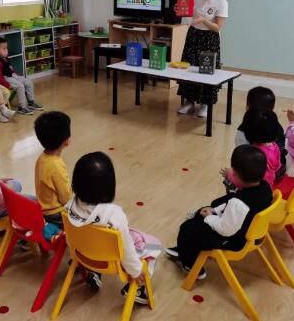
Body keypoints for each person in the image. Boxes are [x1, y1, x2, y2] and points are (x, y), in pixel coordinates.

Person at [65, 152, 161, 305]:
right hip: (110, 260)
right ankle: (137, 288)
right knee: (155, 246)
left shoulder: (69, 206)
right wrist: (136, 272)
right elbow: (127, 250)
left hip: (83, 254)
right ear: (109, 185)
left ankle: (93, 271)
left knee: (97, 237)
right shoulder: (114, 215)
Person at [165, 145, 273, 279]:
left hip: (234, 240)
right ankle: (185, 249)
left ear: (237, 175)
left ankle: (190, 264)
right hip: (248, 231)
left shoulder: (238, 204)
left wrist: (210, 217)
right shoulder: (265, 187)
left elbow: (225, 229)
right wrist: (214, 211)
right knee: (200, 214)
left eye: (234, 173)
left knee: (188, 229)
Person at [177, 0, 229, 118]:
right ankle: (189, 101)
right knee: (189, 66)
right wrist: (179, 9)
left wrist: (204, 20)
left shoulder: (222, 2)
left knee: (206, 70)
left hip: (210, 38)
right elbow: (186, 10)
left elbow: (217, 27)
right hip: (194, 34)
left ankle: (205, 104)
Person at [222, 108, 282, 191]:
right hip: (267, 188)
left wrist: (230, 175)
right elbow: (277, 167)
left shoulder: (253, 154)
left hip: (252, 192)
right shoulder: (275, 147)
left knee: (227, 181)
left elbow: (247, 181)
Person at [34, 111, 72, 227]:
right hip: (56, 214)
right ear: (66, 141)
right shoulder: (56, 165)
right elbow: (66, 199)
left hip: (43, 208)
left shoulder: (42, 158)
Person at [235, 86, 286, 169]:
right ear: (272, 108)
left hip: (256, 173)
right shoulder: (276, 125)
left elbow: (242, 160)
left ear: (248, 107)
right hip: (279, 169)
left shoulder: (243, 131)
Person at [0, 36, 43, 116]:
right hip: (5, 79)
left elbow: (10, 69)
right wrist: (6, 85)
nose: (6, 50)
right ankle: (22, 107)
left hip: (12, 76)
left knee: (28, 82)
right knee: (20, 86)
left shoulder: (5, 58)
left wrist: (16, 75)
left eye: (6, 48)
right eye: (4, 49)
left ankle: (31, 102)